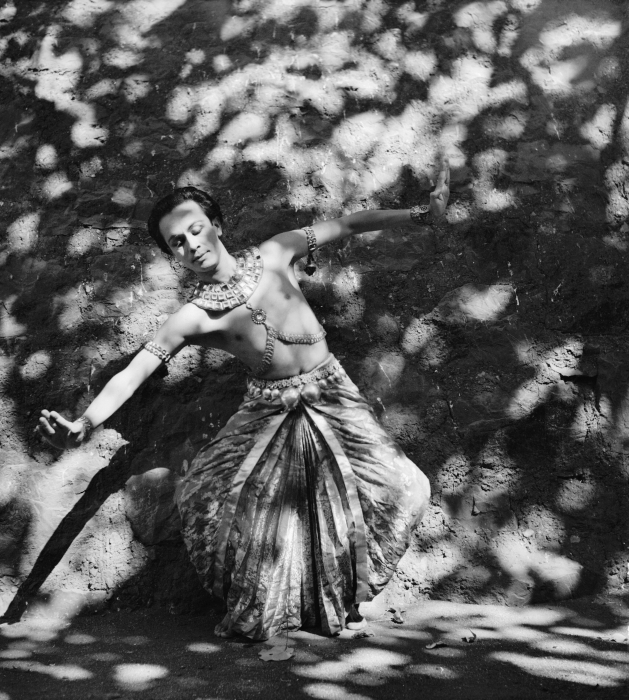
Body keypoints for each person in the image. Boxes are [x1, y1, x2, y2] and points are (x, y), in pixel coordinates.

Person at [38, 163, 450, 640]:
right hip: (268, 410)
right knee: (219, 503)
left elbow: (349, 224)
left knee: (407, 488)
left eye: (196, 229)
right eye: (178, 242)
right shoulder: (193, 317)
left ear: (216, 226)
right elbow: (134, 373)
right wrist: (85, 423)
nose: (192, 244)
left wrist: (421, 212)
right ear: (174, 255)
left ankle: (339, 594)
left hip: (333, 394)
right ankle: (287, 607)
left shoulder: (277, 253)